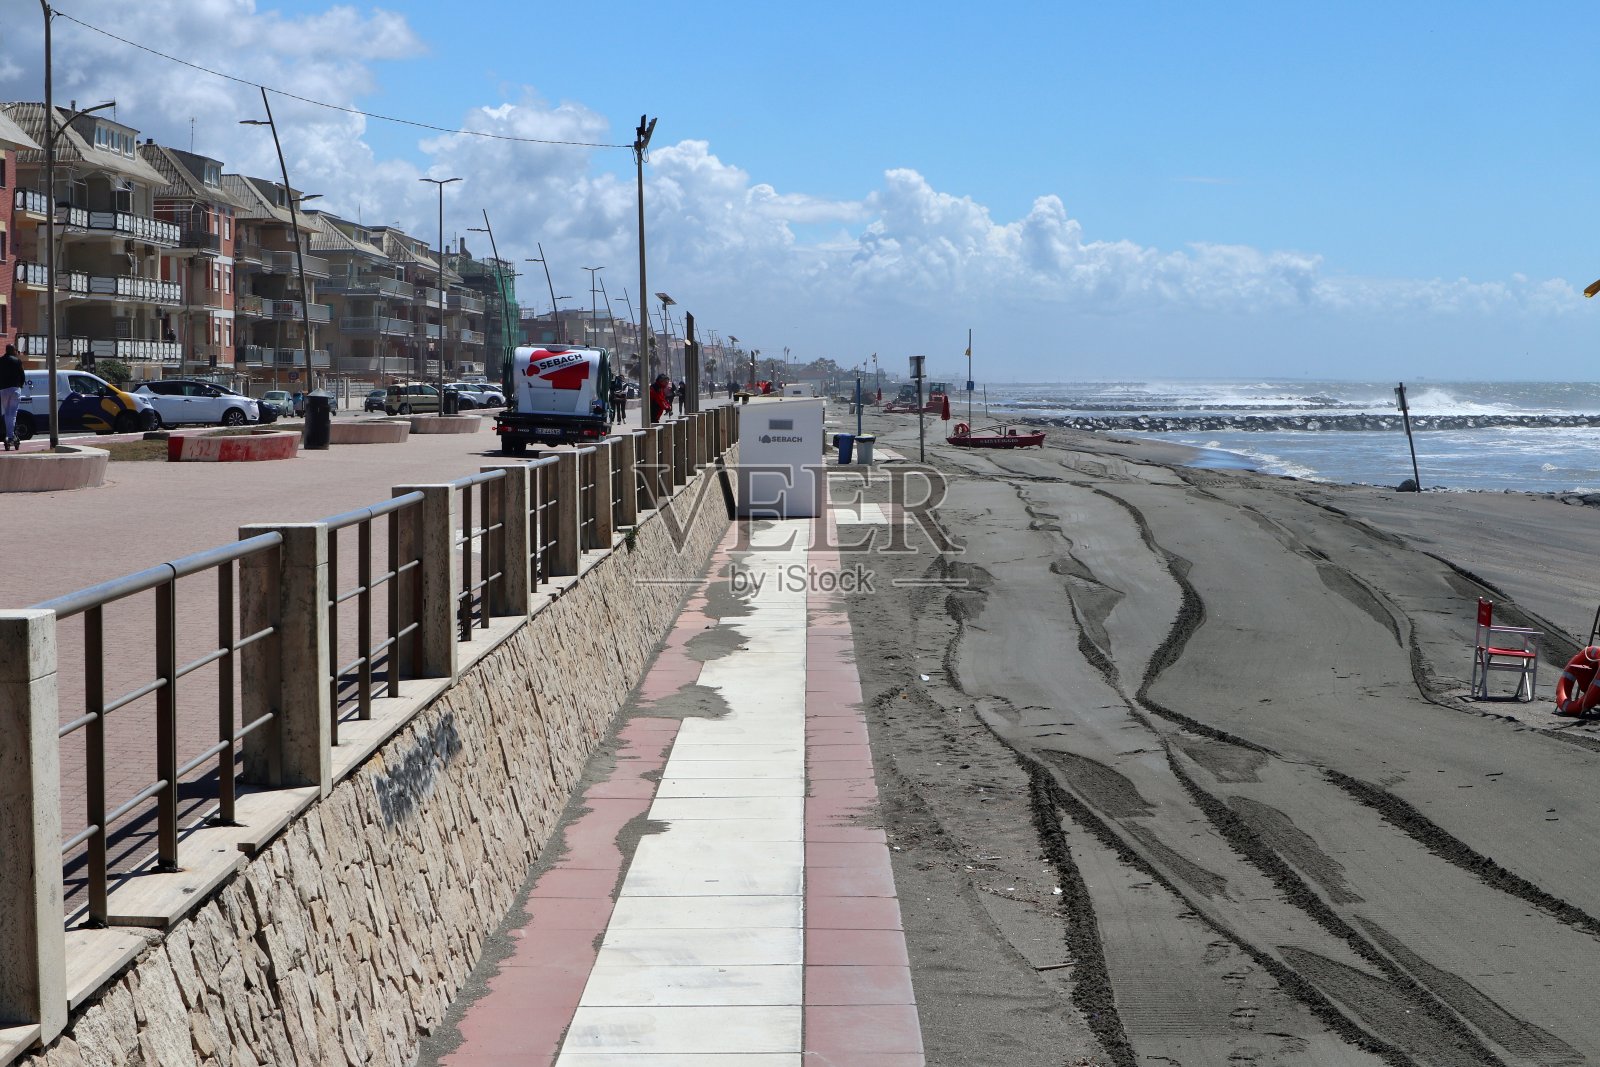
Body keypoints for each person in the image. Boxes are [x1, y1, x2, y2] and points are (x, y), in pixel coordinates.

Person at [0, 343, 23, 450]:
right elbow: (22, 375)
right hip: (15, 389)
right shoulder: (17, 361)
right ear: (13, 350)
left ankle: (9, 435)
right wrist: (21, 385)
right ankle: (10, 436)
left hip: (3, 389)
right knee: (12, 414)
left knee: (6, 413)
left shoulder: (0, 360)